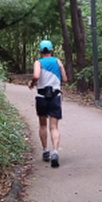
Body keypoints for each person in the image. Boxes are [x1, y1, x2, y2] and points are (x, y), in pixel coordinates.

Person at [27, 39, 68, 168]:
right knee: (54, 127)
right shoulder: (57, 61)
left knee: (43, 125)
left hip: (42, 96)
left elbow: (36, 76)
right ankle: (55, 151)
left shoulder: (38, 62)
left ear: (40, 51)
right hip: (55, 96)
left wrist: (32, 83)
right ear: (52, 51)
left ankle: (46, 150)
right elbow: (65, 79)